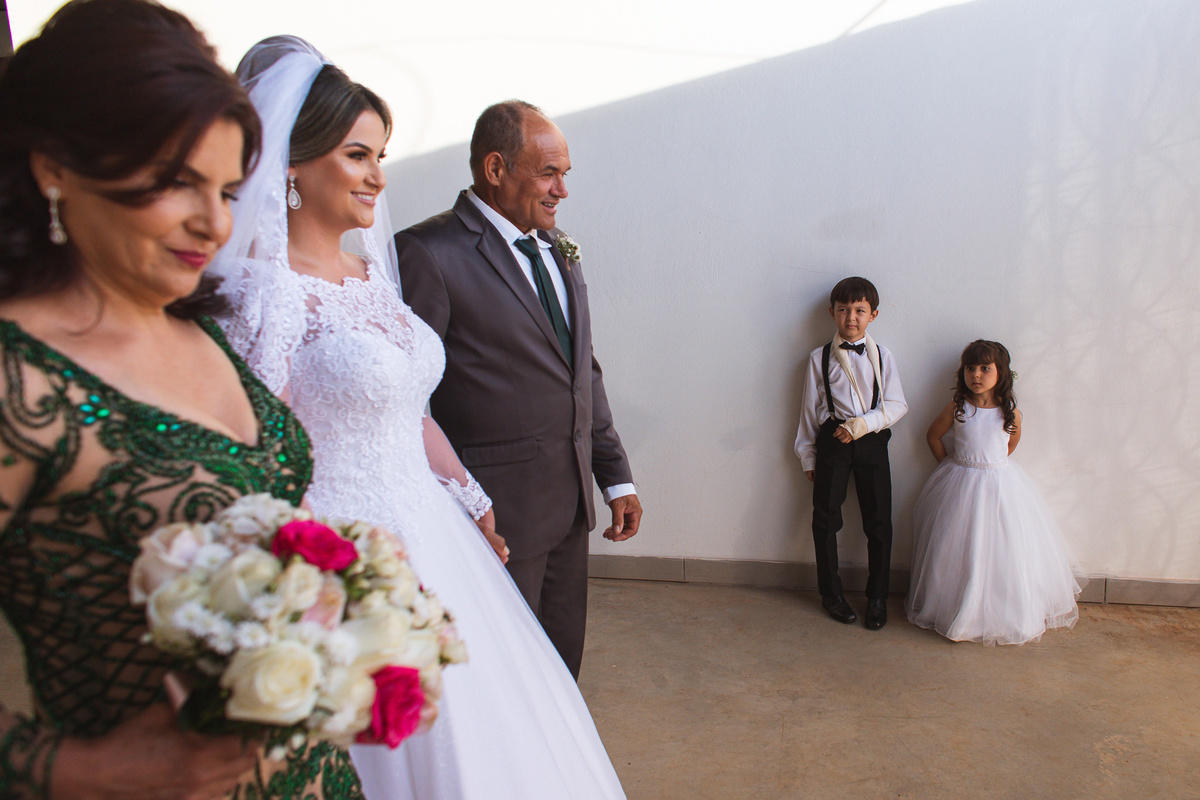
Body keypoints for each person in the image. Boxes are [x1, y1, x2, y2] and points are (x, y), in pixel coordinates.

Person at [211, 37, 627, 800]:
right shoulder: (261, 295)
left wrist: (469, 498)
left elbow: (409, 409)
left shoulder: (372, 278)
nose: (378, 175)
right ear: (292, 165)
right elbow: (250, 447)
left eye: (380, 155)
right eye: (358, 154)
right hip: (335, 545)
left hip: (433, 529)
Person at [0, 2, 363, 798]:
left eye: (228, 189)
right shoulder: (19, 380)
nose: (212, 222)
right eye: (174, 183)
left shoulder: (201, 329)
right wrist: (72, 769)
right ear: (54, 165)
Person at [394, 100, 641, 679]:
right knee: (502, 678)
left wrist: (615, 475)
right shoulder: (429, 253)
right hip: (494, 515)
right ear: (496, 168)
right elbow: (405, 398)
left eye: (565, 175)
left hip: (570, 507)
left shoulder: (557, 248)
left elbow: (581, 371)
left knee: (560, 672)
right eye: (548, 173)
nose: (561, 190)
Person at [905, 340, 1083, 645]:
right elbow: (933, 435)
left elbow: (1009, 447)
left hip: (1000, 484)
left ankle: (1003, 609)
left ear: (1001, 373)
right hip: (961, 480)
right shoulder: (958, 408)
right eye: (970, 368)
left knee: (1004, 545)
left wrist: (990, 464)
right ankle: (957, 607)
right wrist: (951, 465)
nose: (976, 374)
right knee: (958, 544)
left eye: (985, 368)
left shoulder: (1010, 414)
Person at [794, 276, 907, 630]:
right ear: (832, 313)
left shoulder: (884, 357)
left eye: (859, 310)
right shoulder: (818, 358)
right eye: (843, 310)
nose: (851, 318)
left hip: (871, 440)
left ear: (873, 314)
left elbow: (897, 404)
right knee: (825, 520)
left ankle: (877, 597)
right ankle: (831, 594)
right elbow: (809, 411)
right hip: (832, 441)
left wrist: (861, 425)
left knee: (879, 522)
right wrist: (808, 455)